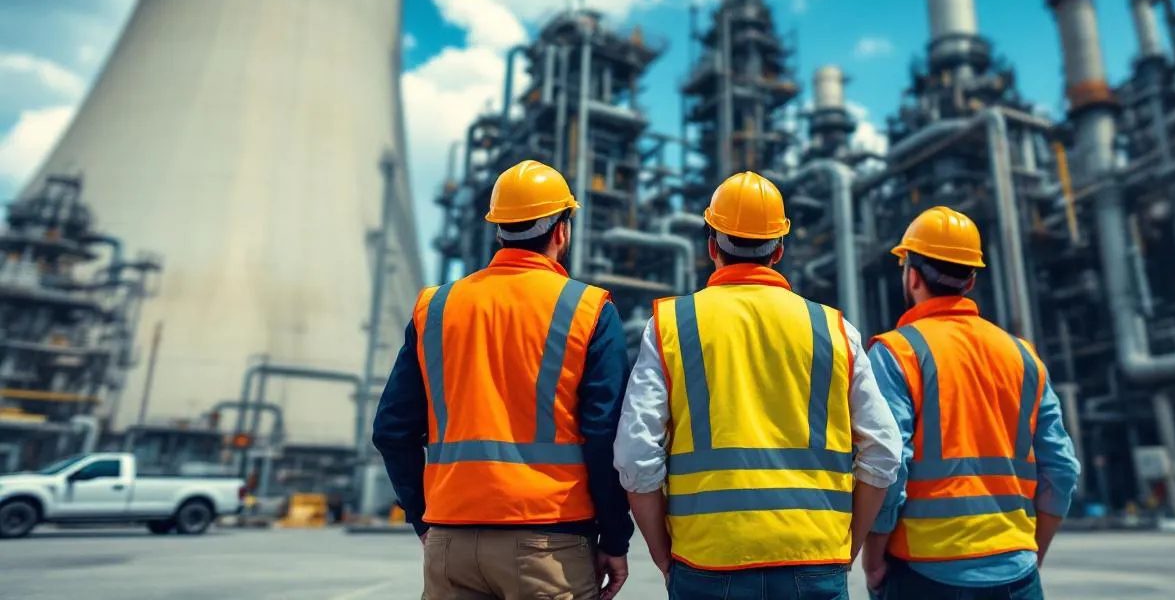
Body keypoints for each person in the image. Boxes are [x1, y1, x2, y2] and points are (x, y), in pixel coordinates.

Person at [615, 171, 903, 600]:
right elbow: (884, 452)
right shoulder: (834, 329)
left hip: (707, 563)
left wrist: (662, 554)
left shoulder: (672, 326)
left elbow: (636, 457)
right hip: (815, 560)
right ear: (780, 249)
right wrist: (847, 546)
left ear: (711, 244)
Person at [373, 160, 633, 600]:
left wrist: (425, 518)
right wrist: (614, 537)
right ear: (561, 231)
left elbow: (391, 431)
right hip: (549, 544)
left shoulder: (436, 308)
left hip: (450, 541)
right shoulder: (587, 310)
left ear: (499, 230)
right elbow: (604, 434)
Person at [861, 206, 1081, 600]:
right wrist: (1033, 552)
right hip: (1018, 571)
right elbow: (1062, 470)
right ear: (972, 279)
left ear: (911, 275)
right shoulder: (1023, 357)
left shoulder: (898, 353)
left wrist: (873, 558)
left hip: (923, 575)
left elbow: (889, 465)